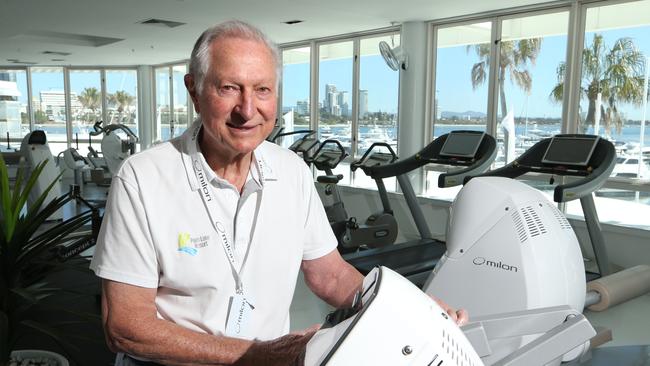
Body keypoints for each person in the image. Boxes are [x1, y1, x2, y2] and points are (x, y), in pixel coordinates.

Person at [90, 20, 467, 366]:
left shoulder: (292, 172)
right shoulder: (142, 178)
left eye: (263, 90)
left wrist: (411, 310)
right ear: (194, 90)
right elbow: (124, 326)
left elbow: (330, 276)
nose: (247, 109)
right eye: (229, 88)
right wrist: (256, 355)